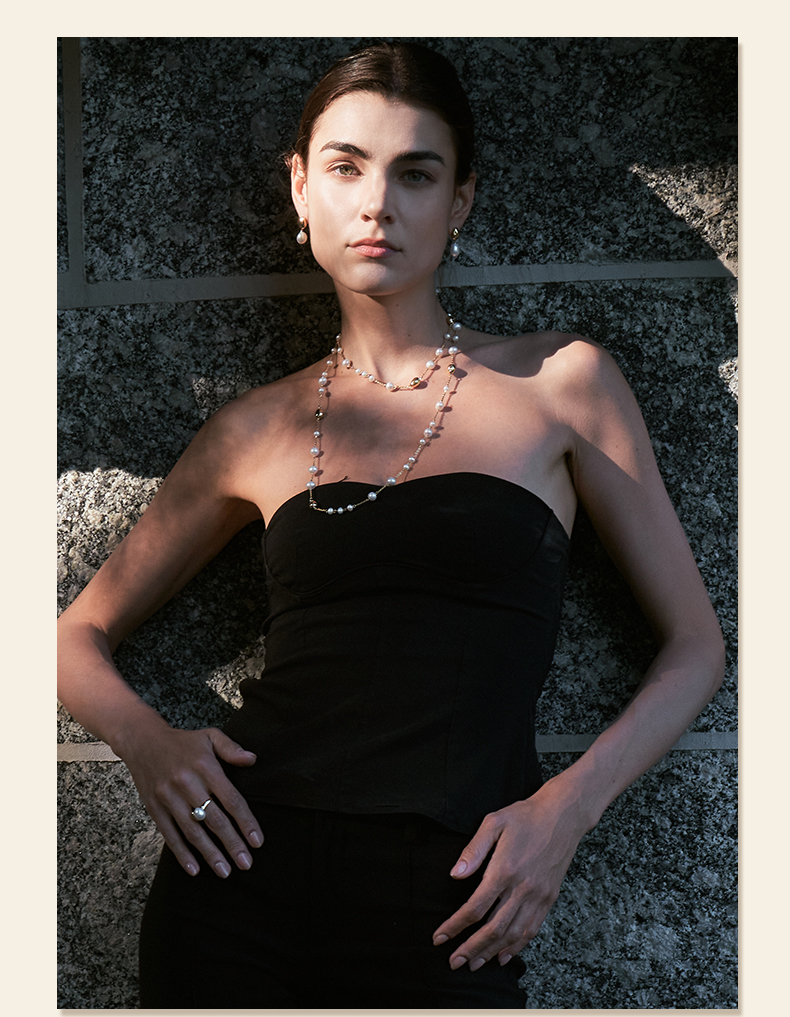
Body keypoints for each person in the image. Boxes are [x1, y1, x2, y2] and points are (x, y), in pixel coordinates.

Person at [57, 41, 725, 1008]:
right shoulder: (253, 428)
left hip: (452, 897)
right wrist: (152, 744)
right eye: (346, 167)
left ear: (459, 201)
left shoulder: (562, 383)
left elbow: (697, 645)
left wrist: (565, 812)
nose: (377, 203)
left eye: (416, 173)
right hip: (237, 881)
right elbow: (74, 635)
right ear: (301, 188)